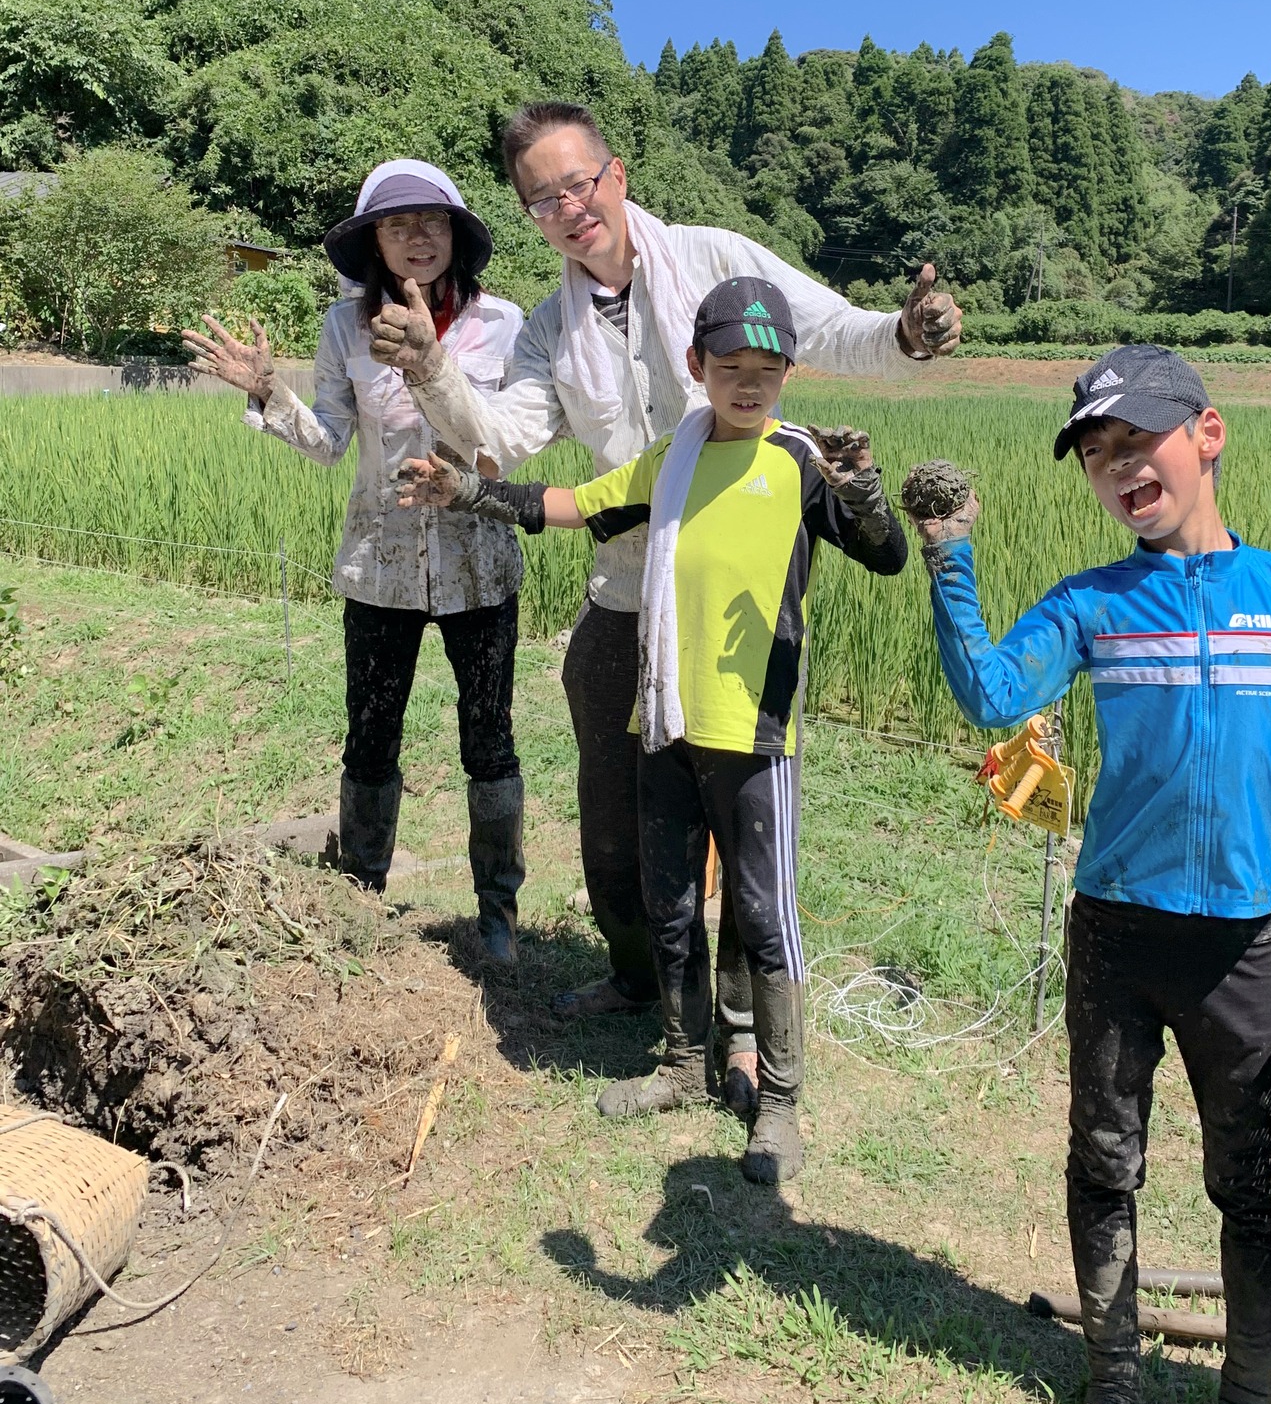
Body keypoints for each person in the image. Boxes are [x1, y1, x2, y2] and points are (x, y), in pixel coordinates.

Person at [367, 100, 962, 1078]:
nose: (567, 206)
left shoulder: (717, 259)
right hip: (621, 595)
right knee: (612, 829)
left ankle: (736, 1033)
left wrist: (907, 330)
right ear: (528, 214)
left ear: (618, 173)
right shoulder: (553, 326)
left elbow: (830, 330)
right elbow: (503, 437)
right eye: (542, 196)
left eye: (578, 182)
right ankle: (640, 978)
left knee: (733, 833)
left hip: (730, 601)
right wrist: (434, 369)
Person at [908, 344, 1271, 1404]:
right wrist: (950, 557)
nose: (1119, 466)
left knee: (1249, 1177)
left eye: (1138, 441)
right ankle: (1116, 1390)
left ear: (1209, 434)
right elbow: (993, 690)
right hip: (1118, 932)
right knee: (1104, 1157)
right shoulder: (1092, 604)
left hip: (1240, 941)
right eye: (1097, 454)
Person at [398, 277, 907, 1184]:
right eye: (730, 368)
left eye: (767, 369)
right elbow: (578, 503)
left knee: (762, 915)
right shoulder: (674, 456)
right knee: (671, 900)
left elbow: (886, 554)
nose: (749, 385)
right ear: (696, 367)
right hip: (664, 720)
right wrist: (466, 496)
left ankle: (779, 1103)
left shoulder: (799, 461)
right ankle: (680, 1062)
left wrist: (862, 490)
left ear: (790, 371)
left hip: (752, 734)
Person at [182, 161, 528, 965]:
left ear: (457, 237)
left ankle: (497, 915)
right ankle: (361, 899)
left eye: (433, 223)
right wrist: (271, 392)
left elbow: (510, 443)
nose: (418, 237)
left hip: (479, 558)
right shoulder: (346, 327)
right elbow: (330, 442)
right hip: (381, 565)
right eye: (399, 224)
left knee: (491, 740)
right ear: (374, 240)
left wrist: (465, 463)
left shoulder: (501, 325)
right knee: (371, 736)